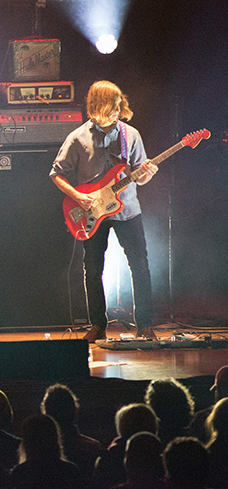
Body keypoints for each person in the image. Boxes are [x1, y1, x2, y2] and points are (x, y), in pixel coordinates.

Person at [49, 80, 159, 342]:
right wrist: (78, 196)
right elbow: (56, 174)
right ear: (99, 106)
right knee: (92, 267)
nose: (117, 109)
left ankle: (144, 323)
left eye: (119, 104)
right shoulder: (77, 138)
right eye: (113, 105)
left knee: (140, 265)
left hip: (127, 209)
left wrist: (147, 175)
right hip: (92, 213)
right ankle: (98, 324)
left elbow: (139, 177)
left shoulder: (130, 135)